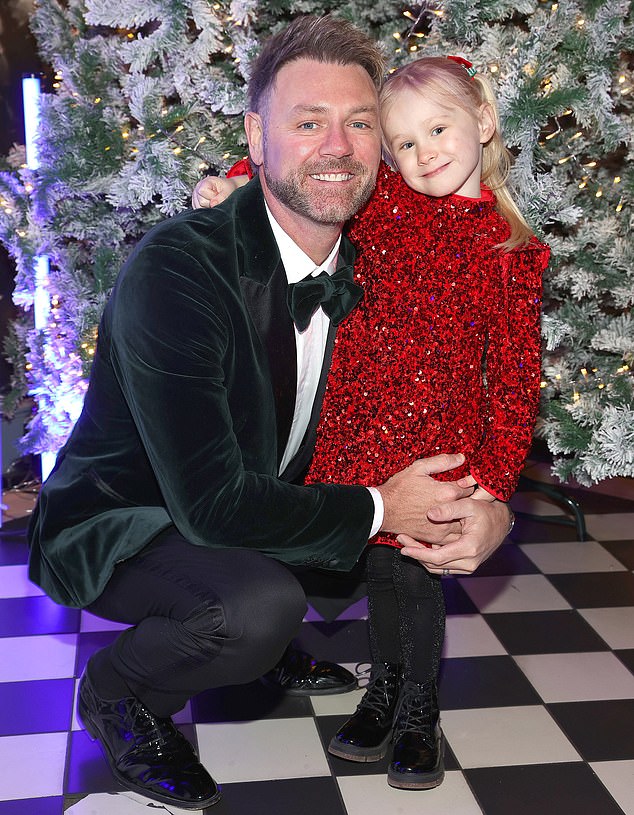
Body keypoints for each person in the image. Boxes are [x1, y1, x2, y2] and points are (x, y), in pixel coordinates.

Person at [27, 16, 514, 812]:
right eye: (307, 122)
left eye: (360, 123)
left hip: (260, 496)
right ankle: (120, 691)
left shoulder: (381, 257)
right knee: (255, 608)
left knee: (362, 557)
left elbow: (456, 393)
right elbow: (210, 502)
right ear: (256, 137)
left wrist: (490, 507)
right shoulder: (178, 270)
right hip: (133, 518)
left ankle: (265, 632)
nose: (338, 147)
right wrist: (385, 506)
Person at [193, 54, 549, 792]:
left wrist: (492, 483)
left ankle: (419, 707)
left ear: (484, 122)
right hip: (359, 432)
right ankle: (383, 687)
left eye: (439, 130)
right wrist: (236, 181)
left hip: (442, 452)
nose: (425, 154)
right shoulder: (384, 200)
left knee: (418, 577)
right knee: (380, 571)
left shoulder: (512, 251)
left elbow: (516, 379)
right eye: (404, 143)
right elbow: (316, 169)